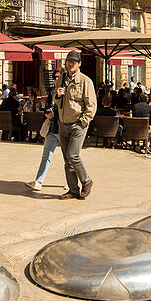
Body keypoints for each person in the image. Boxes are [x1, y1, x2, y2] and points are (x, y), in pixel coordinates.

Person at [56, 49, 95, 200]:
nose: (70, 64)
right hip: (63, 123)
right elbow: (55, 98)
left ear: (79, 64)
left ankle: (87, 181)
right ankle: (73, 190)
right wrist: (57, 95)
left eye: (73, 62)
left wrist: (83, 122)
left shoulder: (85, 81)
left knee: (73, 155)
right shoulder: (61, 79)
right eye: (68, 61)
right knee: (67, 159)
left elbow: (91, 105)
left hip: (77, 124)